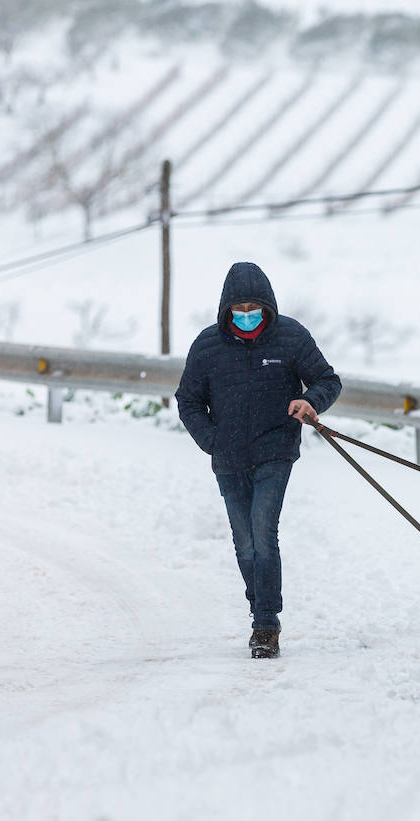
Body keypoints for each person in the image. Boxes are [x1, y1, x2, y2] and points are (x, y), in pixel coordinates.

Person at [176, 261, 342, 659]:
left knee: (263, 532)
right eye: (239, 309)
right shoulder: (207, 345)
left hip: (275, 450)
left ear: (268, 307)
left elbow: (327, 380)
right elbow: (188, 401)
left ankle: (265, 625)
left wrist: (310, 402)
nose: (247, 316)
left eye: (254, 309)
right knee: (244, 541)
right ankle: (260, 603)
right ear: (226, 310)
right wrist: (212, 440)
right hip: (228, 456)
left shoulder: (291, 337)